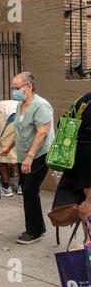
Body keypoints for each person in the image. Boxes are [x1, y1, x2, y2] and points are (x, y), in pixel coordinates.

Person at [0, 72, 55, 245]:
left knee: (30, 189)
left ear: (29, 87)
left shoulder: (41, 106)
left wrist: (29, 157)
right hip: (24, 156)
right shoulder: (20, 105)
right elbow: (19, 129)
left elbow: (42, 133)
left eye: (17, 88)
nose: (14, 91)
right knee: (29, 192)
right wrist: (8, 147)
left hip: (38, 155)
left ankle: (34, 231)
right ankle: (36, 228)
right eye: (13, 88)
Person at [52, 93, 91, 236]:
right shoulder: (85, 99)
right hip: (83, 169)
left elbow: (61, 123)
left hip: (82, 168)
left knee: (86, 212)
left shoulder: (84, 99)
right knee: (86, 214)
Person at [0, 99, 21, 197]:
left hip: (10, 122)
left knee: (2, 155)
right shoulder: (16, 103)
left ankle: (6, 188)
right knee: (21, 154)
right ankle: (22, 186)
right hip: (24, 120)